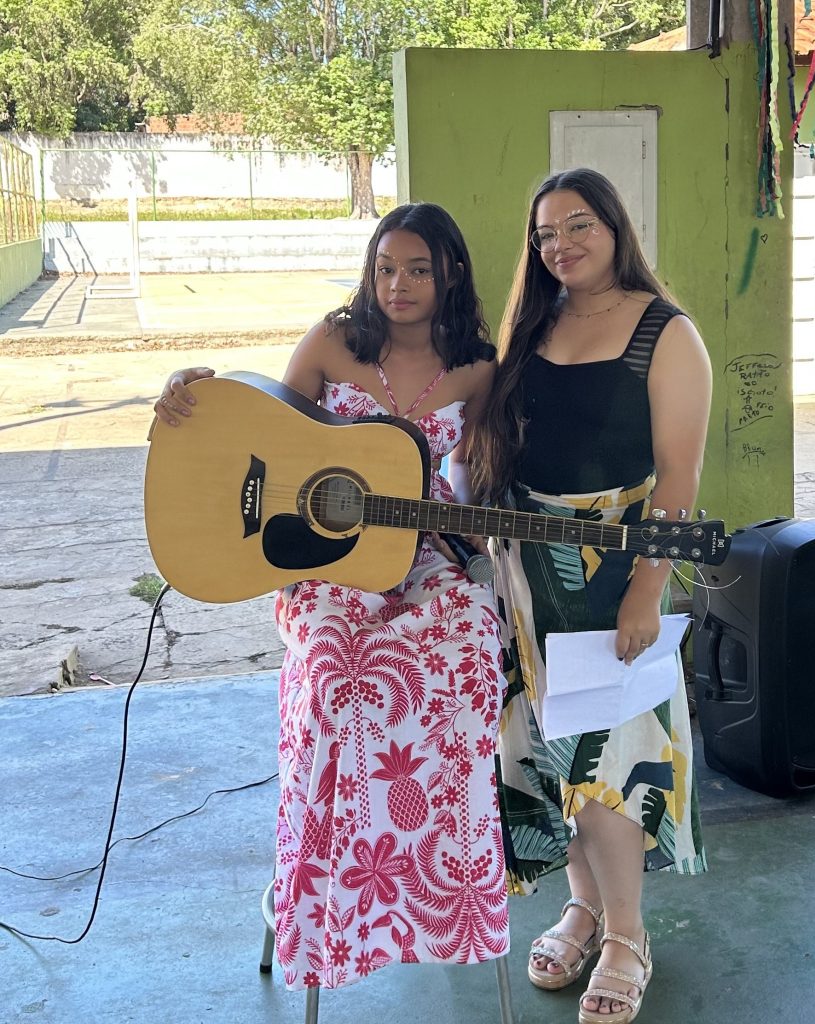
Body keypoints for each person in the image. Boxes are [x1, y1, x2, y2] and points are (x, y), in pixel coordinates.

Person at [152, 203, 509, 991]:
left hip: (416, 553)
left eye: (418, 268)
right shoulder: (335, 341)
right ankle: (318, 883)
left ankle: (436, 885)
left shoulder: (479, 367)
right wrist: (191, 395)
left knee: (473, 651)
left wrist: (474, 526)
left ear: (450, 271)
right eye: (385, 268)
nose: (398, 285)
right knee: (336, 683)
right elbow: (270, 440)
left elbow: (461, 477)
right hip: (323, 567)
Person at [470, 168, 713, 1024]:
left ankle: (628, 935)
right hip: (525, 578)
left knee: (608, 763)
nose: (560, 245)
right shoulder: (531, 326)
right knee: (542, 755)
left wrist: (647, 588)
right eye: (544, 234)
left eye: (578, 226)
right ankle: (581, 907)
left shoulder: (665, 332)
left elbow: (678, 477)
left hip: (613, 574)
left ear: (615, 229)